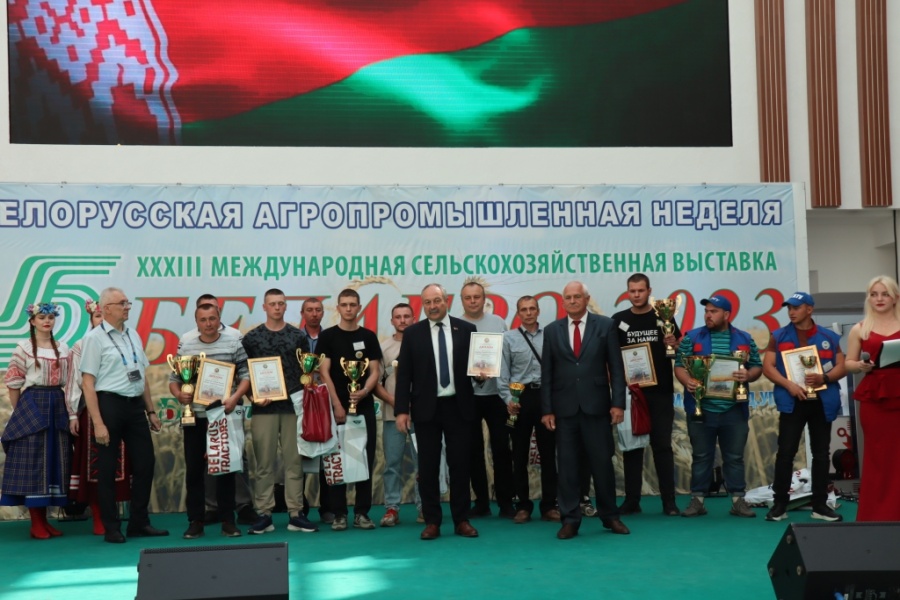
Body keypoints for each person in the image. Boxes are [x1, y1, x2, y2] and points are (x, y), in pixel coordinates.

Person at [541, 281, 630, 539]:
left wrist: (618, 403)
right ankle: (570, 520)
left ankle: (610, 516)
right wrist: (547, 410)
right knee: (567, 468)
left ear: (587, 298)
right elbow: (547, 374)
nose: (572, 301)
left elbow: (616, 368)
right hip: (564, 410)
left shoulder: (605, 325)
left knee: (602, 465)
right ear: (562, 301)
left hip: (597, 408)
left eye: (577, 296)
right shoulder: (552, 330)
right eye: (567, 297)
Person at [80, 287, 169, 543]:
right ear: (106, 308)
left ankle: (139, 522)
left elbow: (142, 377)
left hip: (135, 406)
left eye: (128, 302)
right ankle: (111, 527)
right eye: (122, 303)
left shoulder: (133, 334)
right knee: (107, 468)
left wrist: (150, 410)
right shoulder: (94, 339)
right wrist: (98, 423)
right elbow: (88, 383)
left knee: (145, 463)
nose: (128, 307)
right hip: (109, 405)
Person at [395, 283, 479, 540]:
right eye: (427, 302)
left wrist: (482, 374)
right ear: (423, 305)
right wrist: (401, 410)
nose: (432, 306)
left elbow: (476, 369)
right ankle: (432, 521)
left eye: (437, 301)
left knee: (460, 465)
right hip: (426, 409)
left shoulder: (467, 330)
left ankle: (461, 520)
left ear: (446, 301)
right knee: (428, 467)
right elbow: (404, 375)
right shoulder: (413, 333)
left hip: (459, 407)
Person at [674, 295, 762, 519]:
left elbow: (757, 367)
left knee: (734, 457)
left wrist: (748, 375)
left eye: (714, 311)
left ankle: (738, 501)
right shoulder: (692, 337)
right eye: (707, 311)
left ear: (726, 314)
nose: (708, 315)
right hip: (701, 408)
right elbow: (679, 365)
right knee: (701, 456)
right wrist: (688, 381)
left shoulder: (745, 338)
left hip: (734, 409)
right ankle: (697, 501)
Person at [762, 292, 846, 522]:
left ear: (809, 309)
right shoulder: (778, 336)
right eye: (789, 308)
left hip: (822, 402)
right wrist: (789, 385)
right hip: (792, 401)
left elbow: (842, 366)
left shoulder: (829, 337)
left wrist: (824, 378)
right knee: (785, 453)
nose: (791, 312)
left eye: (796, 307)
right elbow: (768, 367)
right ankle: (780, 505)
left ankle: (819, 505)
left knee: (821, 454)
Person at [171, 303, 251, 538]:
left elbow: (246, 376)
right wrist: (179, 395)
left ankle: (228, 520)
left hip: (223, 416)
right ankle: (195, 521)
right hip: (195, 417)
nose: (208, 324)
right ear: (196, 322)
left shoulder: (233, 343)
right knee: (194, 471)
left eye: (212, 318)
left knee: (226, 469)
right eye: (203, 319)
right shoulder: (187, 345)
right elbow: (174, 379)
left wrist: (235, 397)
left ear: (219, 319)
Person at [241, 288, 315, 534]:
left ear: (285, 306)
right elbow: (244, 374)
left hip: (294, 407)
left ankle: (296, 513)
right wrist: (252, 397)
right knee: (264, 464)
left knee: (294, 462)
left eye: (281, 303)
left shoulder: (297, 336)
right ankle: (264, 514)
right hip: (264, 410)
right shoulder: (252, 338)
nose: (276, 307)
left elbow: (307, 371)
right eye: (272, 303)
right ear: (264, 307)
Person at [611, 274, 681, 516]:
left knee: (662, 446)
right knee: (632, 449)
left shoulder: (664, 317)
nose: (636, 295)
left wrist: (673, 343)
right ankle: (632, 501)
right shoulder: (619, 320)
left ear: (649, 291)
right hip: (632, 395)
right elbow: (612, 356)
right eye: (632, 291)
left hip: (660, 393)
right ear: (627, 292)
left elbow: (677, 351)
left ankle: (669, 502)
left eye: (641, 290)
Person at [1, 302, 71, 539]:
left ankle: (44, 521)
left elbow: (69, 380)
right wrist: (21, 412)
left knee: (53, 460)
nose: (47, 321)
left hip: (57, 402)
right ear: (32, 321)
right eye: (41, 317)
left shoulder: (63, 347)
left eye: (50, 317)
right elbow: (14, 383)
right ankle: (36, 523)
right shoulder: (23, 348)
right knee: (34, 461)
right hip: (33, 402)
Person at [318, 288, 382, 531]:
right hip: (336, 409)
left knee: (365, 457)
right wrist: (336, 403)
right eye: (344, 304)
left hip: (364, 407)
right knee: (336, 460)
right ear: (338, 307)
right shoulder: (327, 337)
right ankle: (339, 514)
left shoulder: (368, 336)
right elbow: (324, 372)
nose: (348, 308)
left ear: (359, 307)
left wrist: (364, 391)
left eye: (352, 304)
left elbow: (375, 370)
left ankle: (362, 513)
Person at [66, 299, 131, 535]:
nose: (101, 321)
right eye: (97, 317)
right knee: (96, 464)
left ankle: (113, 514)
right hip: (92, 410)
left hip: (119, 407)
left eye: (104, 316)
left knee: (118, 464)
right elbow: (75, 381)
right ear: (91, 320)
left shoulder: (124, 339)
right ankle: (98, 514)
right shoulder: (82, 345)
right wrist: (73, 414)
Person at [498, 296, 559, 524]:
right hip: (519, 399)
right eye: (524, 309)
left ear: (538, 311)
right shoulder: (508, 338)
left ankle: (549, 505)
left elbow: (557, 369)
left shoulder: (550, 335)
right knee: (519, 454)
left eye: (532, 308)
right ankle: (523, 505)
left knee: (548, 453)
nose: (528, 313)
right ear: (518, 313)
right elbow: (502, 374)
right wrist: (508, 400)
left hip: (545, 399)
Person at [845, 275, 900, 521]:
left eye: (885, 294)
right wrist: (860, 365)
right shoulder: (860, 328)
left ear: (895, 298)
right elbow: (848, 363)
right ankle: (875, 517)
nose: (879, 299)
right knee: (877, 457)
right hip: (875, 400)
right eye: (874, 294)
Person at [458, 280, 514, 519]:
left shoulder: (498, 322)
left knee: (501, 449)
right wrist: (473, 375)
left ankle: (505, 502)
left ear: (484, 299)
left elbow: (507, 356)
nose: (473, 301)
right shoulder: (455, 325)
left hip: (496, 396)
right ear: (462, 300)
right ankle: (481, 502)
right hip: (468, 396)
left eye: (477, 297)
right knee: (473, 451)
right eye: (468, 297)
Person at [374, 302, 422, 527]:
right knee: (392, 463)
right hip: (393, 416)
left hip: (421, 416)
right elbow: (375, 383)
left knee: (423, 464)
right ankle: (391, 508)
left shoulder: (423, 343)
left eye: (406, 316)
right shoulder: (383, 348)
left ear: (414, 318)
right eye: (398, 317)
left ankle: (424, 507)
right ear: (392, 320)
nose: (402, 320)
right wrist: (398, 403)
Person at [299, 297, 333, 524]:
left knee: (327, 452)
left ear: (323, 313)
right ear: (302, 313)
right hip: (300, 400)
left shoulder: (330, 337)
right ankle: (299, 507)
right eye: (309, 310)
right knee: (300, 452)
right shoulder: (295, 338)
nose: (314, 314)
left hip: (325, 399)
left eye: (318, 310)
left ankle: (327, 507)